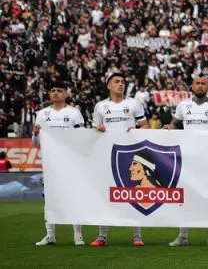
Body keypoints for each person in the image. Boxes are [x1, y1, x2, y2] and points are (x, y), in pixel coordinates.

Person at [166, 75, 208, 247]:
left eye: (204, 84)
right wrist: (168, 128)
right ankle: (183, 235)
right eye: (197, 83)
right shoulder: (183, 105)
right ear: (192, 87)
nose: (200, 86)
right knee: (185, 197)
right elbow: (173, 124)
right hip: (188, 158)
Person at [91, 72, 148, 247]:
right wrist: (98, 129)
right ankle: (102, 236)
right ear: (108, 85)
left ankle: (137, 235)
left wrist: (138, 130)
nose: (120, 84)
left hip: (129, 154)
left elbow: (144, 125)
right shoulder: (100, 106)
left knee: (134, 194)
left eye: (122, 81)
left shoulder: (134, 103)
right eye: (116, 82)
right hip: (107, 154)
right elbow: (94, 129)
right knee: (105, 194)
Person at [32, 79, 85, 246]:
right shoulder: (42, 114)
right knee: (50, 199)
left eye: (59, 90)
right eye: (53, 90)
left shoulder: (74, 113)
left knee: (74, 198)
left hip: (70, 162)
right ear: (49, 94)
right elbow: (35, 144)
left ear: (66, 94)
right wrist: (35, 134)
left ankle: (78, 235)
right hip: (50, 164)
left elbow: (81, 138)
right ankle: (50, 235)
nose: (56, 92)